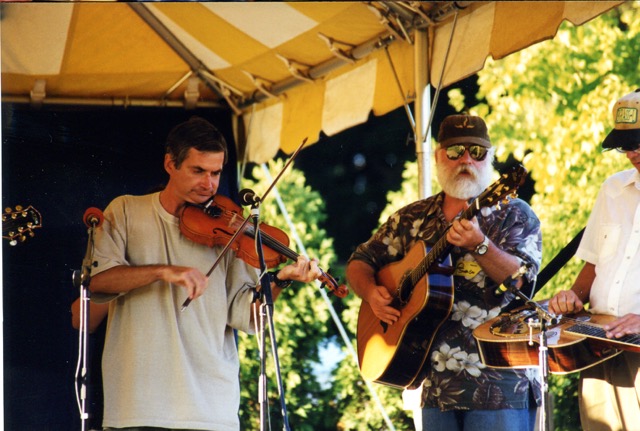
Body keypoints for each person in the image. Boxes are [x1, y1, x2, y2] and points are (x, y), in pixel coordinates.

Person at [88, 116, 321, 431]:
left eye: (215, 173)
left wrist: (280, 280)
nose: (209, 184)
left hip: (211, 407)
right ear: (170, 163)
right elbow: (99, 281)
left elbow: (248, 319)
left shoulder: (232, 228)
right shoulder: (126, 210)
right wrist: (165, 271)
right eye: (198, 170)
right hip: (139, 405)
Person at [346, 114, 542, 431]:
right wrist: (370, 292)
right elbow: (359, 262)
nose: (466, 160)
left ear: (489, 158)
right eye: (455, 151)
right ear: (439, 156)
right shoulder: (412, 217)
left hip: (500, 386)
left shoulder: (515, 214)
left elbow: (522, 282)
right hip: (434, 385)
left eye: (476, 152)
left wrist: (480, 245)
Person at [548, 89, 640, 431]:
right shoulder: (612, 188)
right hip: (596, 345)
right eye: (625, 144)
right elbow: (593, 265)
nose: (632, 153)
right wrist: (571, 297)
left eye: (639, 142)